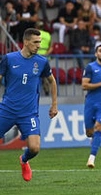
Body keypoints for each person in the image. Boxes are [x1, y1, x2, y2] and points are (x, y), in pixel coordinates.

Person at [0, 28, 58, 182]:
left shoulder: (41, 62)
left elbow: (52, 81)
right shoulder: (9, 59)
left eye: (39, 42)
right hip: (7, 110)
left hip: (29, 113)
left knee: (35, 148)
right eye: (36, 42)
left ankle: (24, 160)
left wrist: (54, 105)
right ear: (26, 42)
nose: (39, 45)